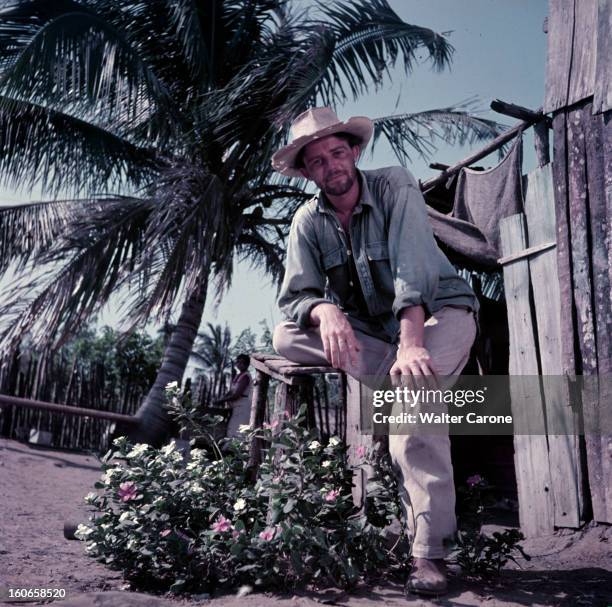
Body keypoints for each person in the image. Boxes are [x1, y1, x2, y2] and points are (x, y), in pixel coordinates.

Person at [270, 107, 479, 596]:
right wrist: (326, 310)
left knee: (413, 401)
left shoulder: (393, 185)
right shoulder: (307, 221)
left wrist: (412, 344)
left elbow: (414, 269)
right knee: (287, 334)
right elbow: (295, 296)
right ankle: (401, 377)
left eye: (338, 153)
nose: (331, 166)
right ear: (306, 172)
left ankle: (429, 556)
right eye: (317, 161)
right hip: (379, 343)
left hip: (438, 318)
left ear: (355, 152)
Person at [216, 354, 253, 439]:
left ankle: (235, 451)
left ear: (247, 364)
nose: (239, 364)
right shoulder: (238, 376)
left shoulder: (246, 376)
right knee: (232, 429)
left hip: (243, 407)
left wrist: (222, 400)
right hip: (236, 407)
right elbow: (231, 391)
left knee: (238, 432)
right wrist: (222, 398)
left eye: (242, 362)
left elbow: (236, 395)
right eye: (238, 362)